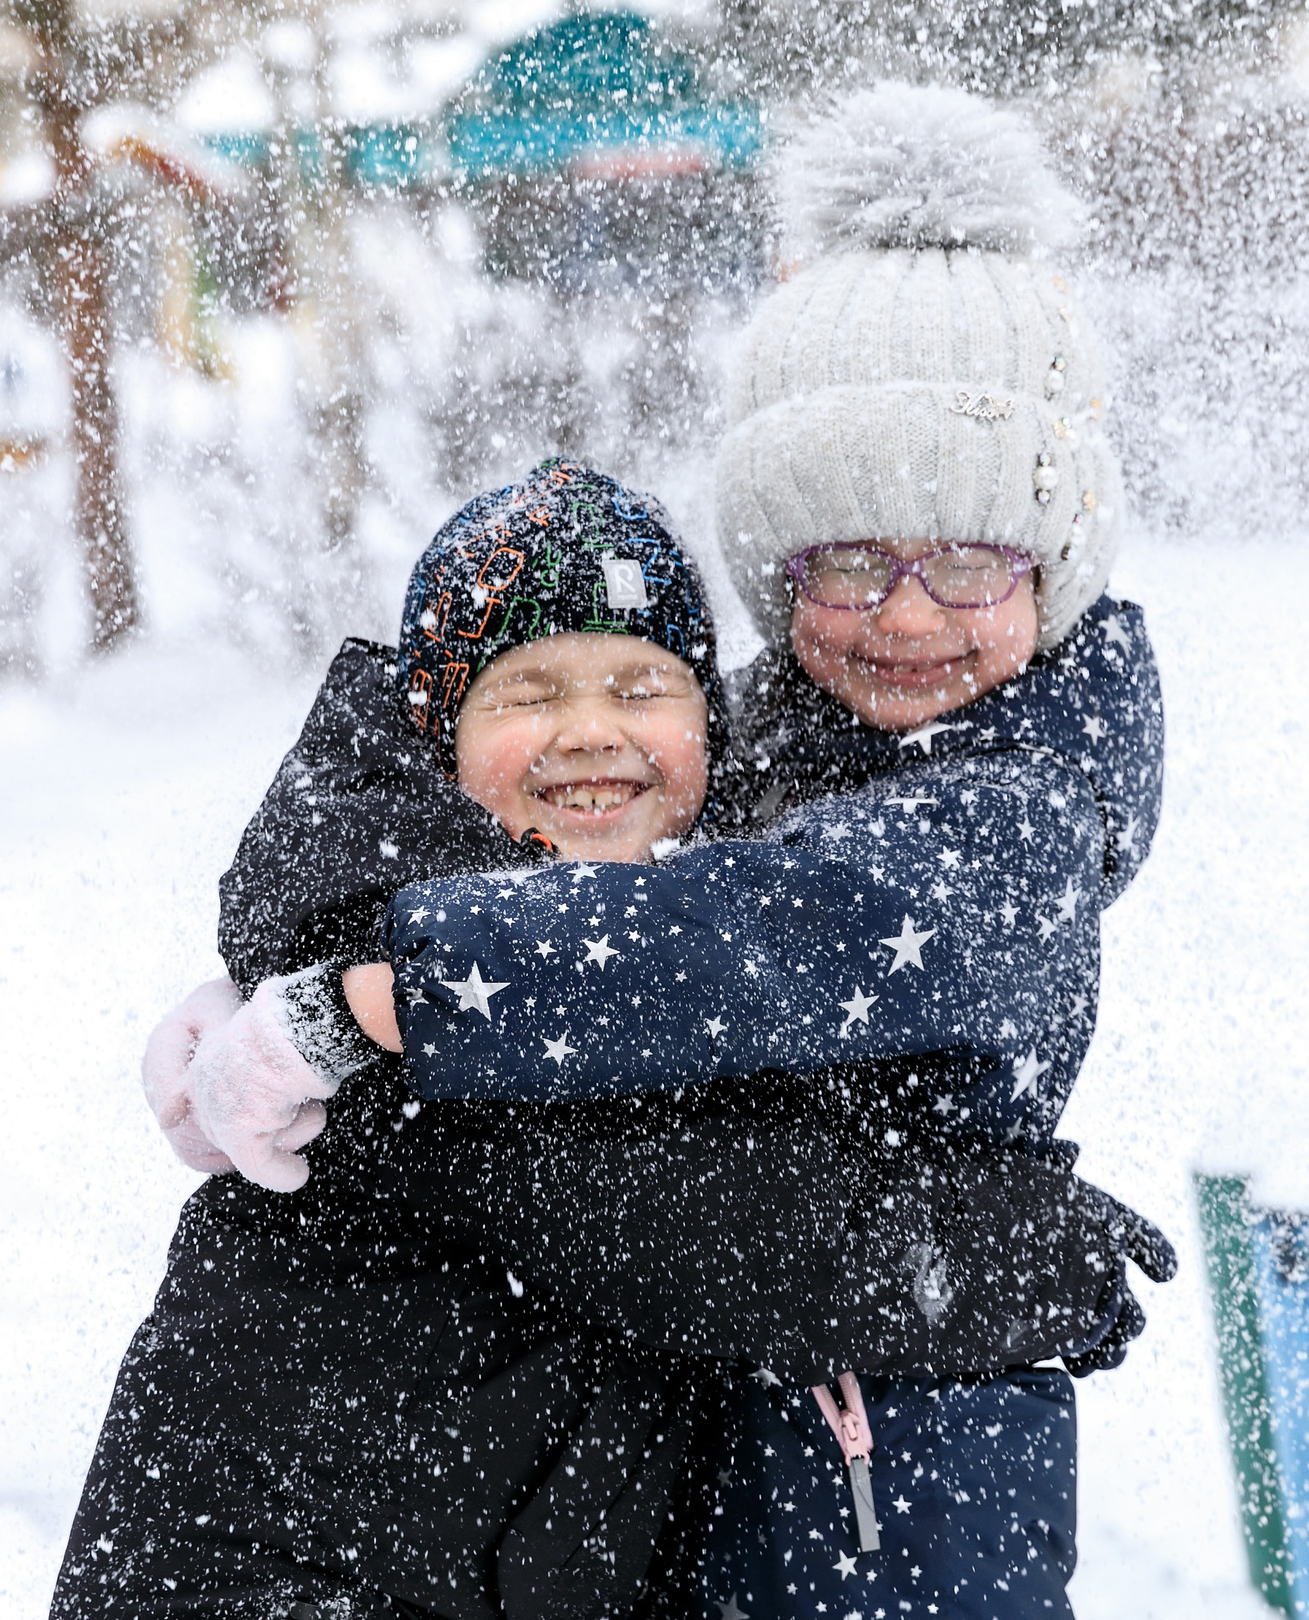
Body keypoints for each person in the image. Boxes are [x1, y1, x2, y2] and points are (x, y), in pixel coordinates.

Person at [192, 83, 1166, 1618]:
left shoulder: (1021, 802)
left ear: (1061, 564)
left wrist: (383, 1007)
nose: (906, 613)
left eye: (971, 557)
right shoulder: (783, 730)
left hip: (902, 1466)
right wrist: (276, 975)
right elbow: (584, 865)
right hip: (733, 1434)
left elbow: (762, 935)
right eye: (849, 559)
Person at [57, 464, 1162, 1620]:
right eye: (529, 692)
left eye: (643, 688)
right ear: (439, 735)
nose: (591, 733)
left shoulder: (630, 981)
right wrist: (1012, 1247)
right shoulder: (439, 1021)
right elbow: (711, 1223)